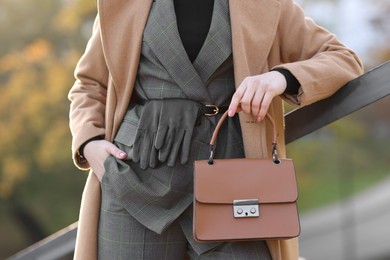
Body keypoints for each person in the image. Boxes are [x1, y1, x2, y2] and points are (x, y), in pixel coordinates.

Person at [68, 0, 363, 259]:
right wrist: (90, 142)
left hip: (233, 184)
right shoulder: (121, 3)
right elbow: (90, 84)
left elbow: (342, 58)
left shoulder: (265, 4)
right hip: (135, 179)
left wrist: (281, 77)